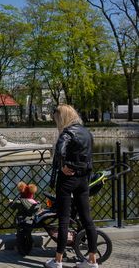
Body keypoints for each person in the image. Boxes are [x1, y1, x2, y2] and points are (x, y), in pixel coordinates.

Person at [45, 104, 98, 268]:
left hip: (67, 181)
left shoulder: (67, 133)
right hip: (83, 180)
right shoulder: (87, 133)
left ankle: (58, 261)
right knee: (87, 219)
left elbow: (59, 151)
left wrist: (63, 165)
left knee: (64, 220)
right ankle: (92, 261)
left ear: (62, 118)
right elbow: (89, 156)